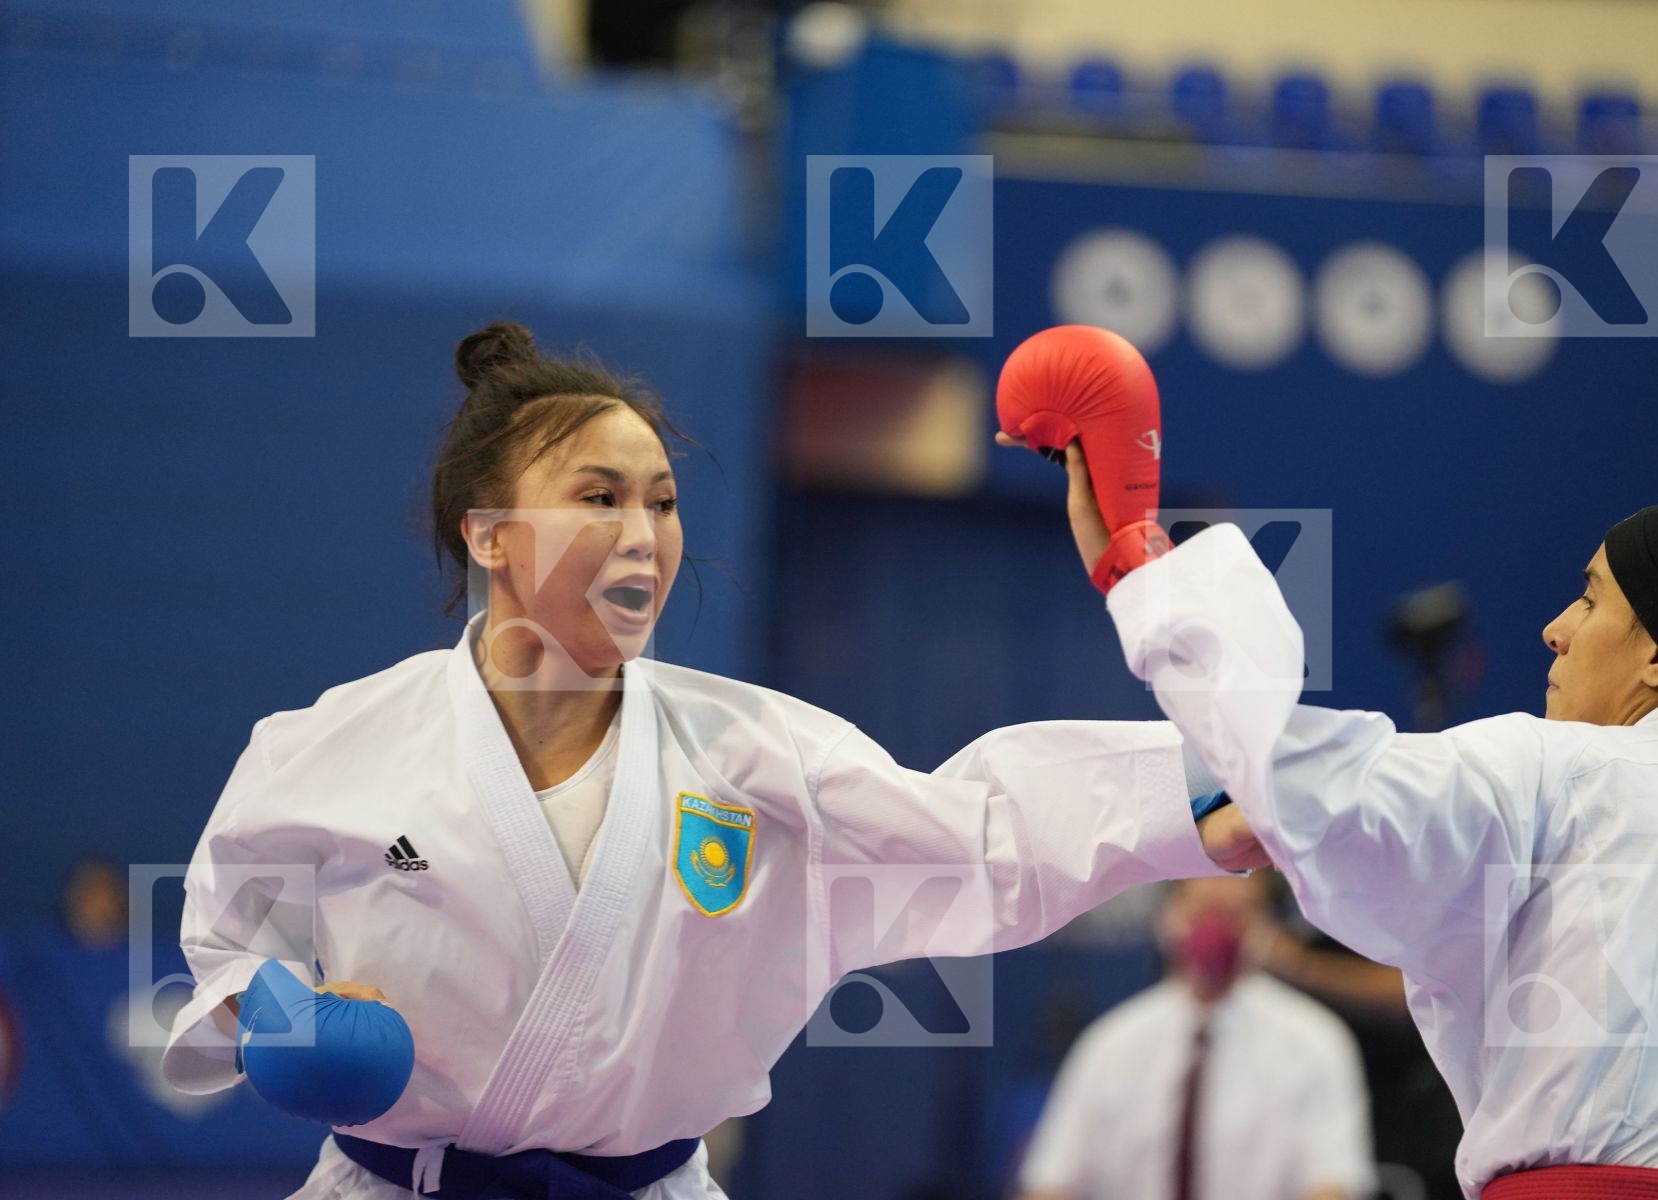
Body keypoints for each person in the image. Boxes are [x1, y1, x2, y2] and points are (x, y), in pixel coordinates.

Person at [160, 323, 1244, 1200]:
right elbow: (224, 931)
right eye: (600, 496)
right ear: (488, 535)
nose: (646, 533)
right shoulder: (329, 746)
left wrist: (1208, 799)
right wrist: (274, 1012)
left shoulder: (755, 756)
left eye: (663, 502)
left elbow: (979, 833)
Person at [1025, 432, 1658, 1199]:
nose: (1556, 628)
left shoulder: (1565, 773)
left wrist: (1140, 572)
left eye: (1592, 598)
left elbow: (1293, 775)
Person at [1016, 874, 1377, 1200]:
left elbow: (1334, 1183)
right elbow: (1051, 1181)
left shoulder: (1314, 1042)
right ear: (1169, 917)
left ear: (1266, 926)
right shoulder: (1112, 1044)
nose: (1215, 927)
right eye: (1203, 908)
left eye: (1235, 912)